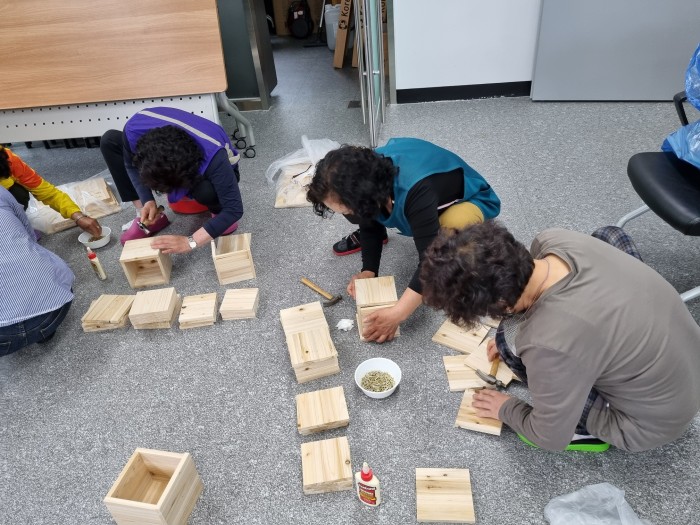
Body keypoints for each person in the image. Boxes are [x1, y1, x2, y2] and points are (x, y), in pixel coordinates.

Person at [420, 222, 700, 452]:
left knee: (509, 341)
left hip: (645, 424)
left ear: (502, 303)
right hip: (686, 364)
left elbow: (549, 438)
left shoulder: (547, 341)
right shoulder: (554, 240)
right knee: (608, 234)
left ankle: (584, 432)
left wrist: (507, 408)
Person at [306, 137, 500, 342]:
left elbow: (430, 262)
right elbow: (368, 223)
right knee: (391, 216)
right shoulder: (362, 178)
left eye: (347, 210)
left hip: (471, 198)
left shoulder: (417, 190)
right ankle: (417, 225)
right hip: (418, 196)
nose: (347, 215)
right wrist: (368, 271)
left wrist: (398, 314)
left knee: (446, 242)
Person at [100, 106, 243, 252]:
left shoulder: (215, 155)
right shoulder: (133, 130)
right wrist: (147, 201)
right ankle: (145, 214)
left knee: (206, 192)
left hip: (216, 164)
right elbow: (130, 166)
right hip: (178, 161)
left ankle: (217, 210)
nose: (166, 194)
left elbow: (234, 209)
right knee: (110, 140)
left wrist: (190, 241)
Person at [0, 187, 74, 356]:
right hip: (52, 315)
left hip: (2, 338)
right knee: (41, 259)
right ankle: (43, 334)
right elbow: (29, 235)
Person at [0, 146, 102, 237]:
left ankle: (15, 222)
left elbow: (49, 194)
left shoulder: (8, 158)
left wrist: (78, 216)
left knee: (19, 193)